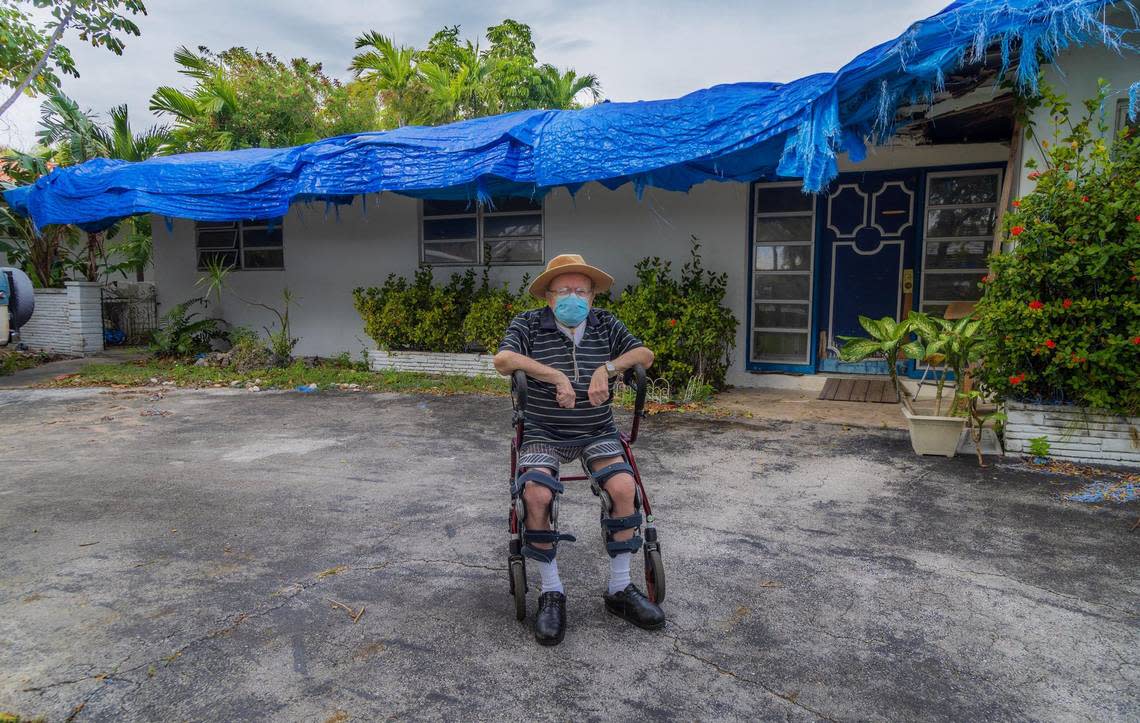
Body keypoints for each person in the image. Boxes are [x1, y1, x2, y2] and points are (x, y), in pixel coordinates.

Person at [494, 253, 664, 646]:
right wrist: (554, 375)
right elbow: (503, 360)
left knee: (623, 488)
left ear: (591, 295)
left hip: (597, 429)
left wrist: (606, 368)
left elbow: (645, 355)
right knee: (535, 493)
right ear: (549, 297)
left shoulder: (605, 323)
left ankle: (620, 589)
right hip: (542, 430)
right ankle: (552, 591)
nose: (575, 296)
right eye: (565, 290)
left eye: (581, 290)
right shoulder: (529, 324)